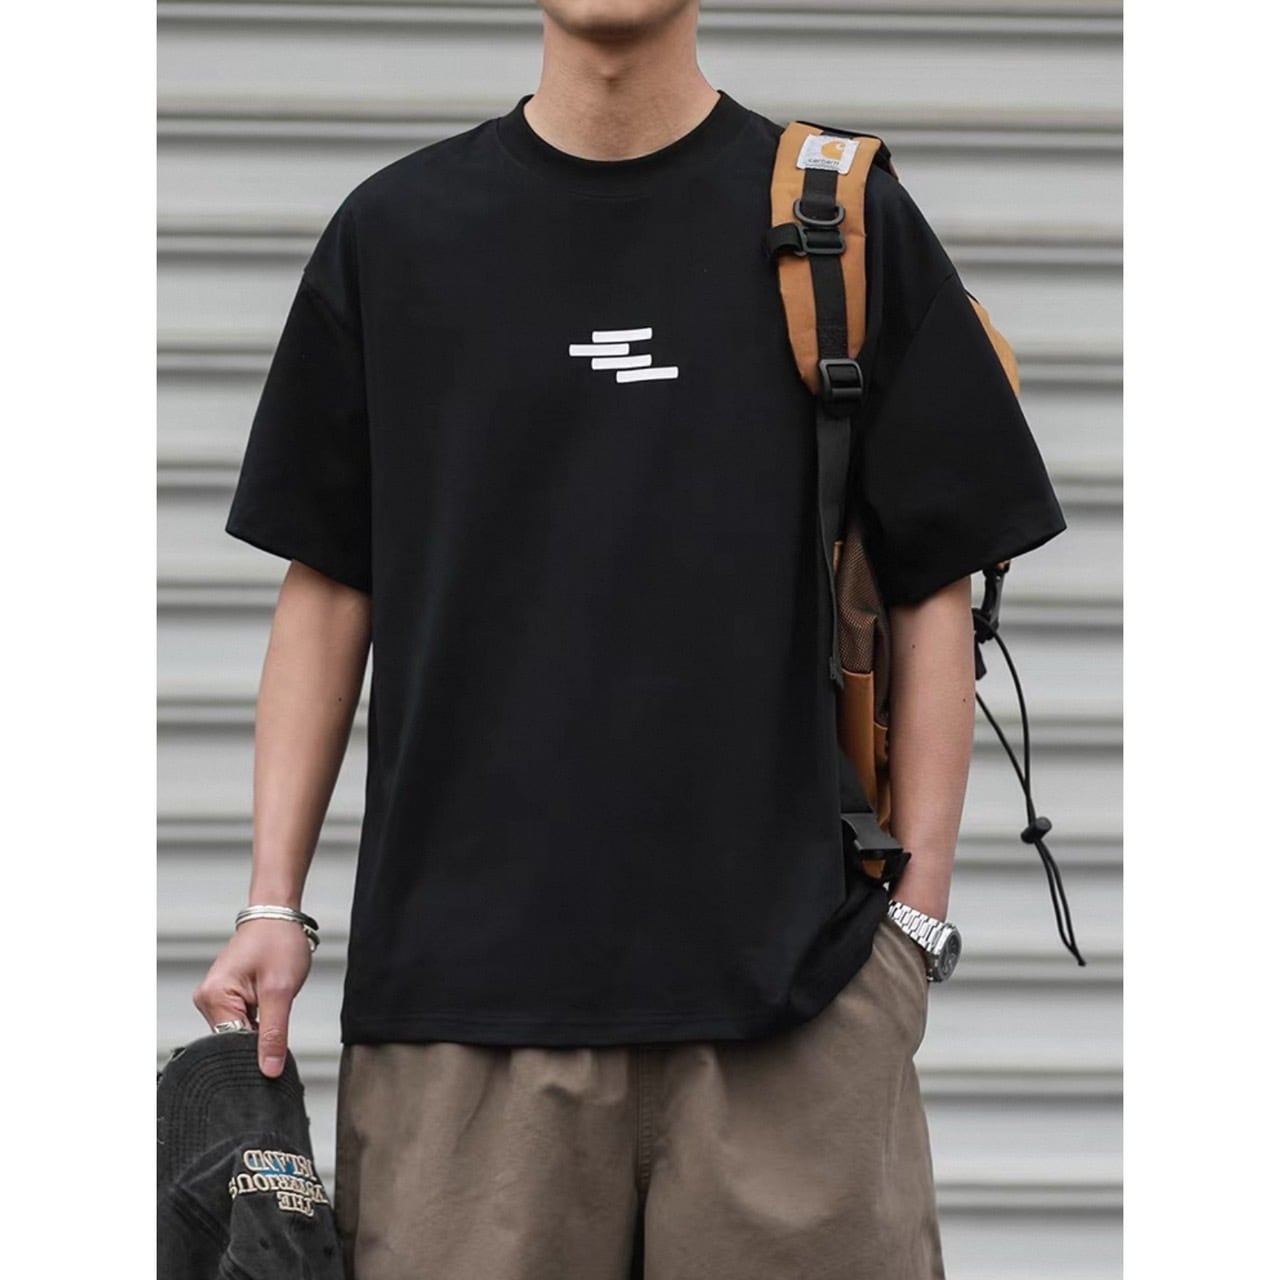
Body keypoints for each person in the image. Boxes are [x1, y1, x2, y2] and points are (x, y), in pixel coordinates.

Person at [192, 2, 1067, 1276]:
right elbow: (327, 587)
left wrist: (910, 928)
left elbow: (933, 578)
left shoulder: (842, 222)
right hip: (461, 1026)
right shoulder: (396, 234)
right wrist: (272, 902)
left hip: (796, 1006)